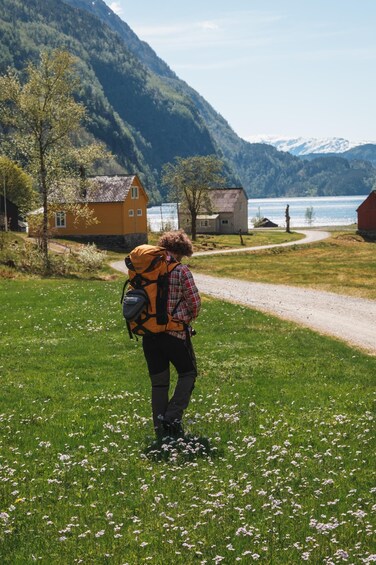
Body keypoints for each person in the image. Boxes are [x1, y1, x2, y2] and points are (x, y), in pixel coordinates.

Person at [142, 229, 201, 440]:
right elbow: (195, 303)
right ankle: (172, 417)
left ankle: (160, 430)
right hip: (174, 335)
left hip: (149, 335)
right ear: (180, 251)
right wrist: (187, 319)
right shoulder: (181, 270)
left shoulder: (147, 269)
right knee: (188, 373)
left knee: (159, 384)